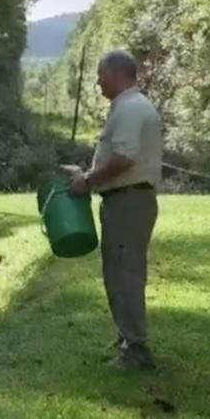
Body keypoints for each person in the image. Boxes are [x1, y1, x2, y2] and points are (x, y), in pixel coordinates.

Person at [69, 50, 163, 369]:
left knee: (125, 276)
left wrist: (88, 180)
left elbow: (124, 158)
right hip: (126, 200)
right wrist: (88, 174)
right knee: (119, 273)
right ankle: (127, 338)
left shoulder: (131, 108)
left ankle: (136, 350)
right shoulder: (129, 107)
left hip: (128, 201)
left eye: (100, 75)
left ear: (116, 74)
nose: (97, 82)